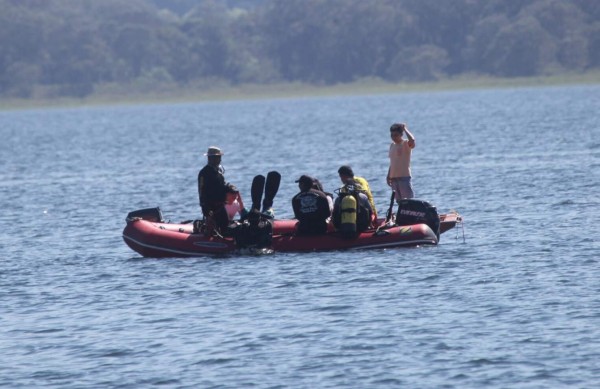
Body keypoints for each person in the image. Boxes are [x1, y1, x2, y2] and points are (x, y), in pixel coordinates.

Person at [197, 146, 230, 234]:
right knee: (214, 230)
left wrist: (228, 188)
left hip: (221, 206)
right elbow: (201, 191)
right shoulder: (204, 173)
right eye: (216, 157)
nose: (219, 160)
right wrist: (205, 209)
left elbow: (220, 187)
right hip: (211, 208)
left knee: (225, 228)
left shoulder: (219, 172)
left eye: (219, 157)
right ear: (210, 158)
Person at [387, 123, 416, 200]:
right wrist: (388, 175)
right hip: (393, 179)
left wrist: (405, 129)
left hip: (404, 177)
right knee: (399, 202)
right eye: (392, 135)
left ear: (401, 134)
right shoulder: (392, 145)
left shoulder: (405, 144)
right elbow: (392, 162)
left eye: (396, 135)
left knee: (409, 201)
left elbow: (412, 140)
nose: (393, 137)